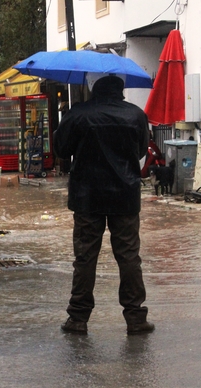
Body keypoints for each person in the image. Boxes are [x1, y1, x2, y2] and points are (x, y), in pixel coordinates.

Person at [53, 72, 155, 335]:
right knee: (129, 256)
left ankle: (78, 318)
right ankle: (135, 318)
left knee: (85, 257)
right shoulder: (135, 115)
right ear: (120, 89)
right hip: (125, 196)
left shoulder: (79, 114)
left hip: (87, 197)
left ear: (93, 87)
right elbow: (142, 150)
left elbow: (61, 150)